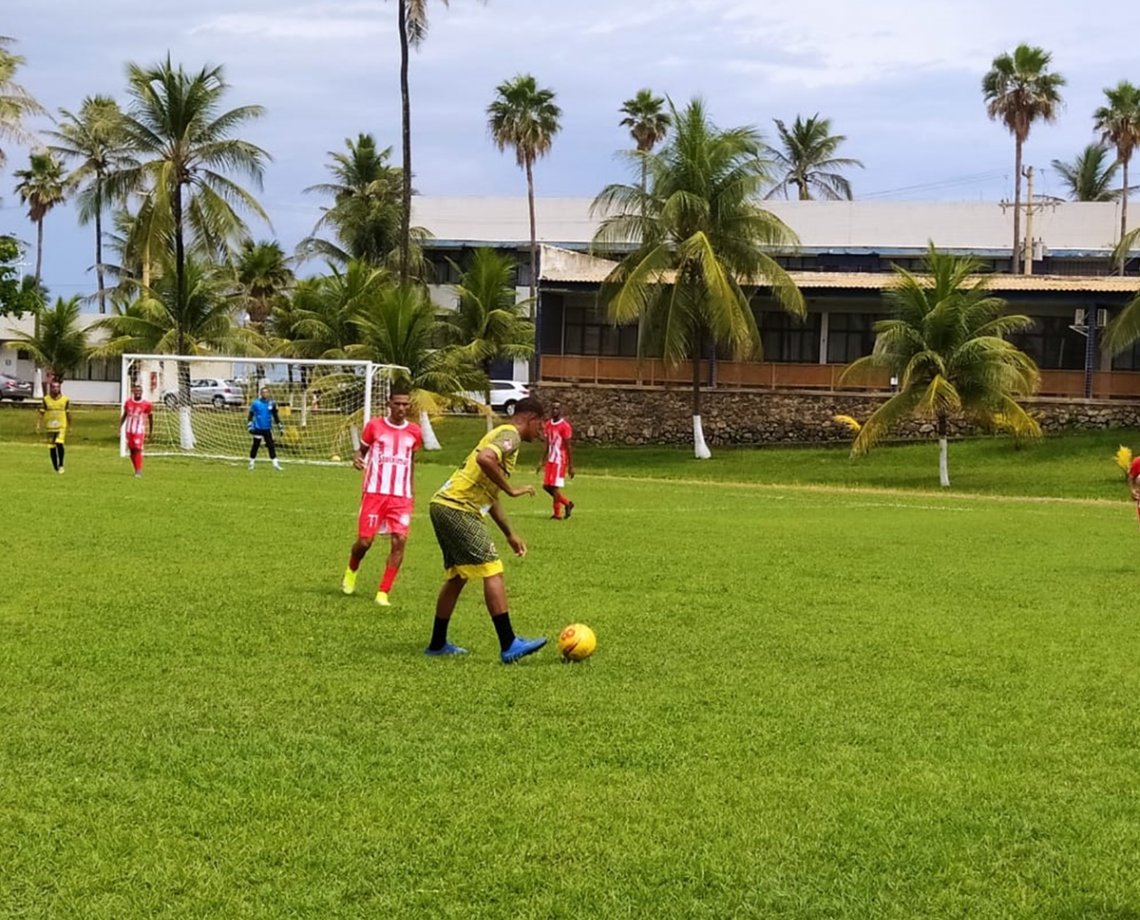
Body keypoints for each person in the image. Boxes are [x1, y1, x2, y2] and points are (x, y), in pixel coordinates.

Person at [425, 396, 548, 663]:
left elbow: (489, 495)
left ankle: (437, 644)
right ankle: (509, 644)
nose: (541, 432)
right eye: (541, 426)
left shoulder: (501, 436)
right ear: (531, 419)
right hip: (458, 507)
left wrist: (509, 534)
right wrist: (513, 489)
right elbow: (485, 459)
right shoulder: (511, 434)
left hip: (442, 506)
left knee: (458, 576)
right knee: (493, 569)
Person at [341, 384, 423, 606]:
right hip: (375, 493)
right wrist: (357, 458)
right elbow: (362, 451)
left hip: (401, 497)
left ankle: (383, 592)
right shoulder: (374, 426)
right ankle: (352, 569)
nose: (401, 408)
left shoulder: (414, 432)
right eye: (397, 403)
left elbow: (411, 461)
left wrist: (411, 489)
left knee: (400, 541)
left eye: (405, 404)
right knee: (365, 542)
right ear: (389, 404)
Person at [540, 399, 575, 520]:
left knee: (554, 487)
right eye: (553, 408)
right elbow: (547, 444)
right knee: (546, 486)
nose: (555, 411)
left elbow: (568, 446)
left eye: (557, 408)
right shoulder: (548, 424)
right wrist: (542, 460)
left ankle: (557, 513)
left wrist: (571, 465)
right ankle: (567, 503)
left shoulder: (565, 426)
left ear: (561, 411)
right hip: (551, 459)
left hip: (560, 460)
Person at [37, 378, 72, 473]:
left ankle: (61, 464)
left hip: (61, 425)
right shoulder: (46, 399)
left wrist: (70, 425)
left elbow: (68, 413)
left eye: (58, 387)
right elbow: (41, 412)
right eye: (54, 387)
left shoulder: (65, 400)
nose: (56, 389)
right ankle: (55, 467)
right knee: (52, 447)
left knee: (59, 443)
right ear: (50, 389)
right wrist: (38, 424)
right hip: (50, 426)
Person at [119, 383, 153, 477]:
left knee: (138, 449)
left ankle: (138, 471)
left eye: (139, 391)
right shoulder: (128, 402)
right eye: (136, 390)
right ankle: (136, 468)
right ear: (133, 391)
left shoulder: (147, 404)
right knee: (132, 450)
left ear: (142, 392)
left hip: (139, 431)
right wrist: (120, 427)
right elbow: (125, 415)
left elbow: (150, 418)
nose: (138, 392)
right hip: (129, 430)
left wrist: (150, 431)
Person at [248, 385, 283, 471]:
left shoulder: (272, 403)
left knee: (271, 446)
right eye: (263, 392)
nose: (265, 394)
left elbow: (275, 415)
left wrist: (280, 426)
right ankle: (251, 463)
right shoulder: (256, 403)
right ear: (260, 393)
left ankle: (275, 464)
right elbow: (251, 414)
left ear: (269, 393)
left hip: (267, 428)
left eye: (266, 392)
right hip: (258, 428)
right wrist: (249, 426)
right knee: (255, 446)